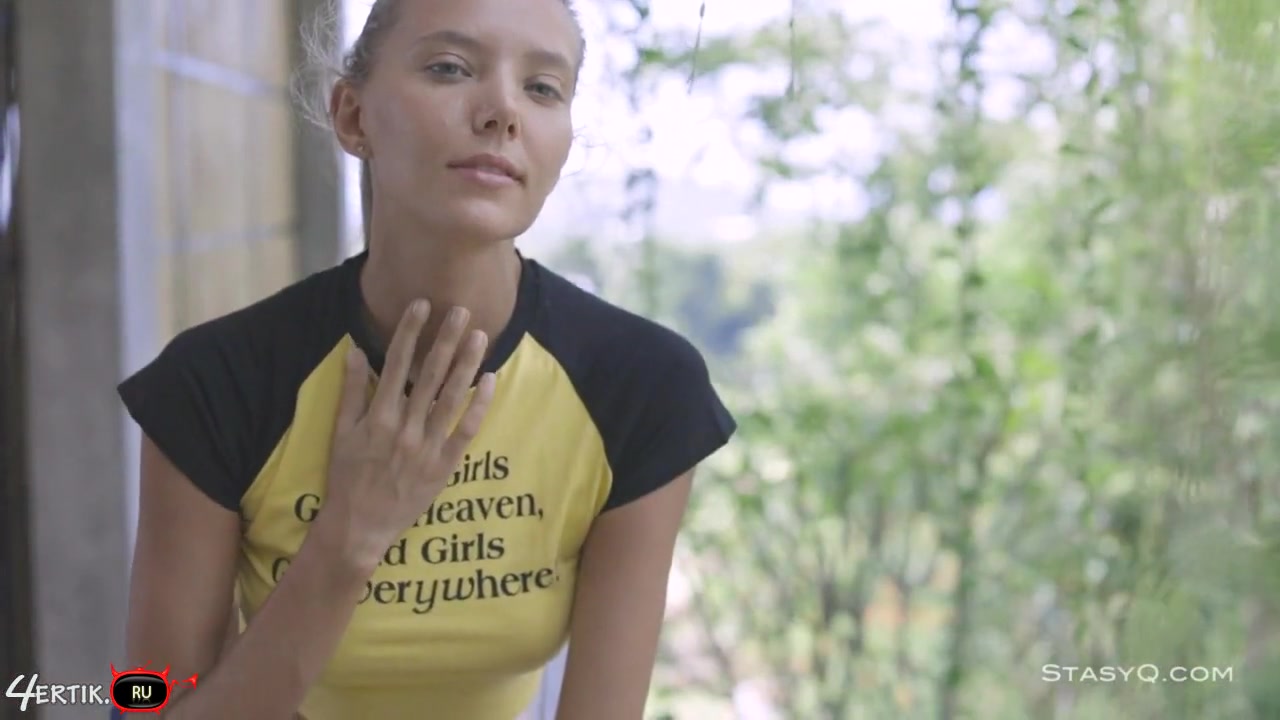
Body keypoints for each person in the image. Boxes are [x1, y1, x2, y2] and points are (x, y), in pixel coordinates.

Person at [115, 0, 736, 718]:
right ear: (354, 116)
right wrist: (347, 540)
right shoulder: (214, 385)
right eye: (450, 68)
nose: (503, 112)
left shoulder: (640, 386)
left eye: (542, 87)